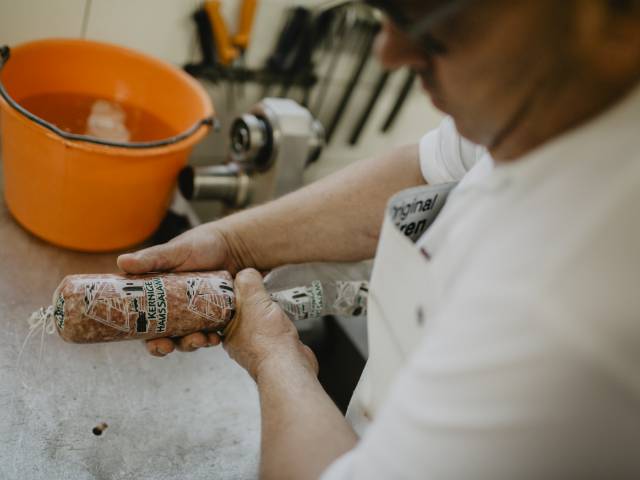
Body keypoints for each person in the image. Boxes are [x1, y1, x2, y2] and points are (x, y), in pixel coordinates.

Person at [118, 0, 640, 478]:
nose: (388, 52)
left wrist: (274, 354)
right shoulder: (556, 97)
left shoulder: (573, 306)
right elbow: (425, 166)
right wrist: (234, 244)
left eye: (433, 21)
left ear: (613, 23)